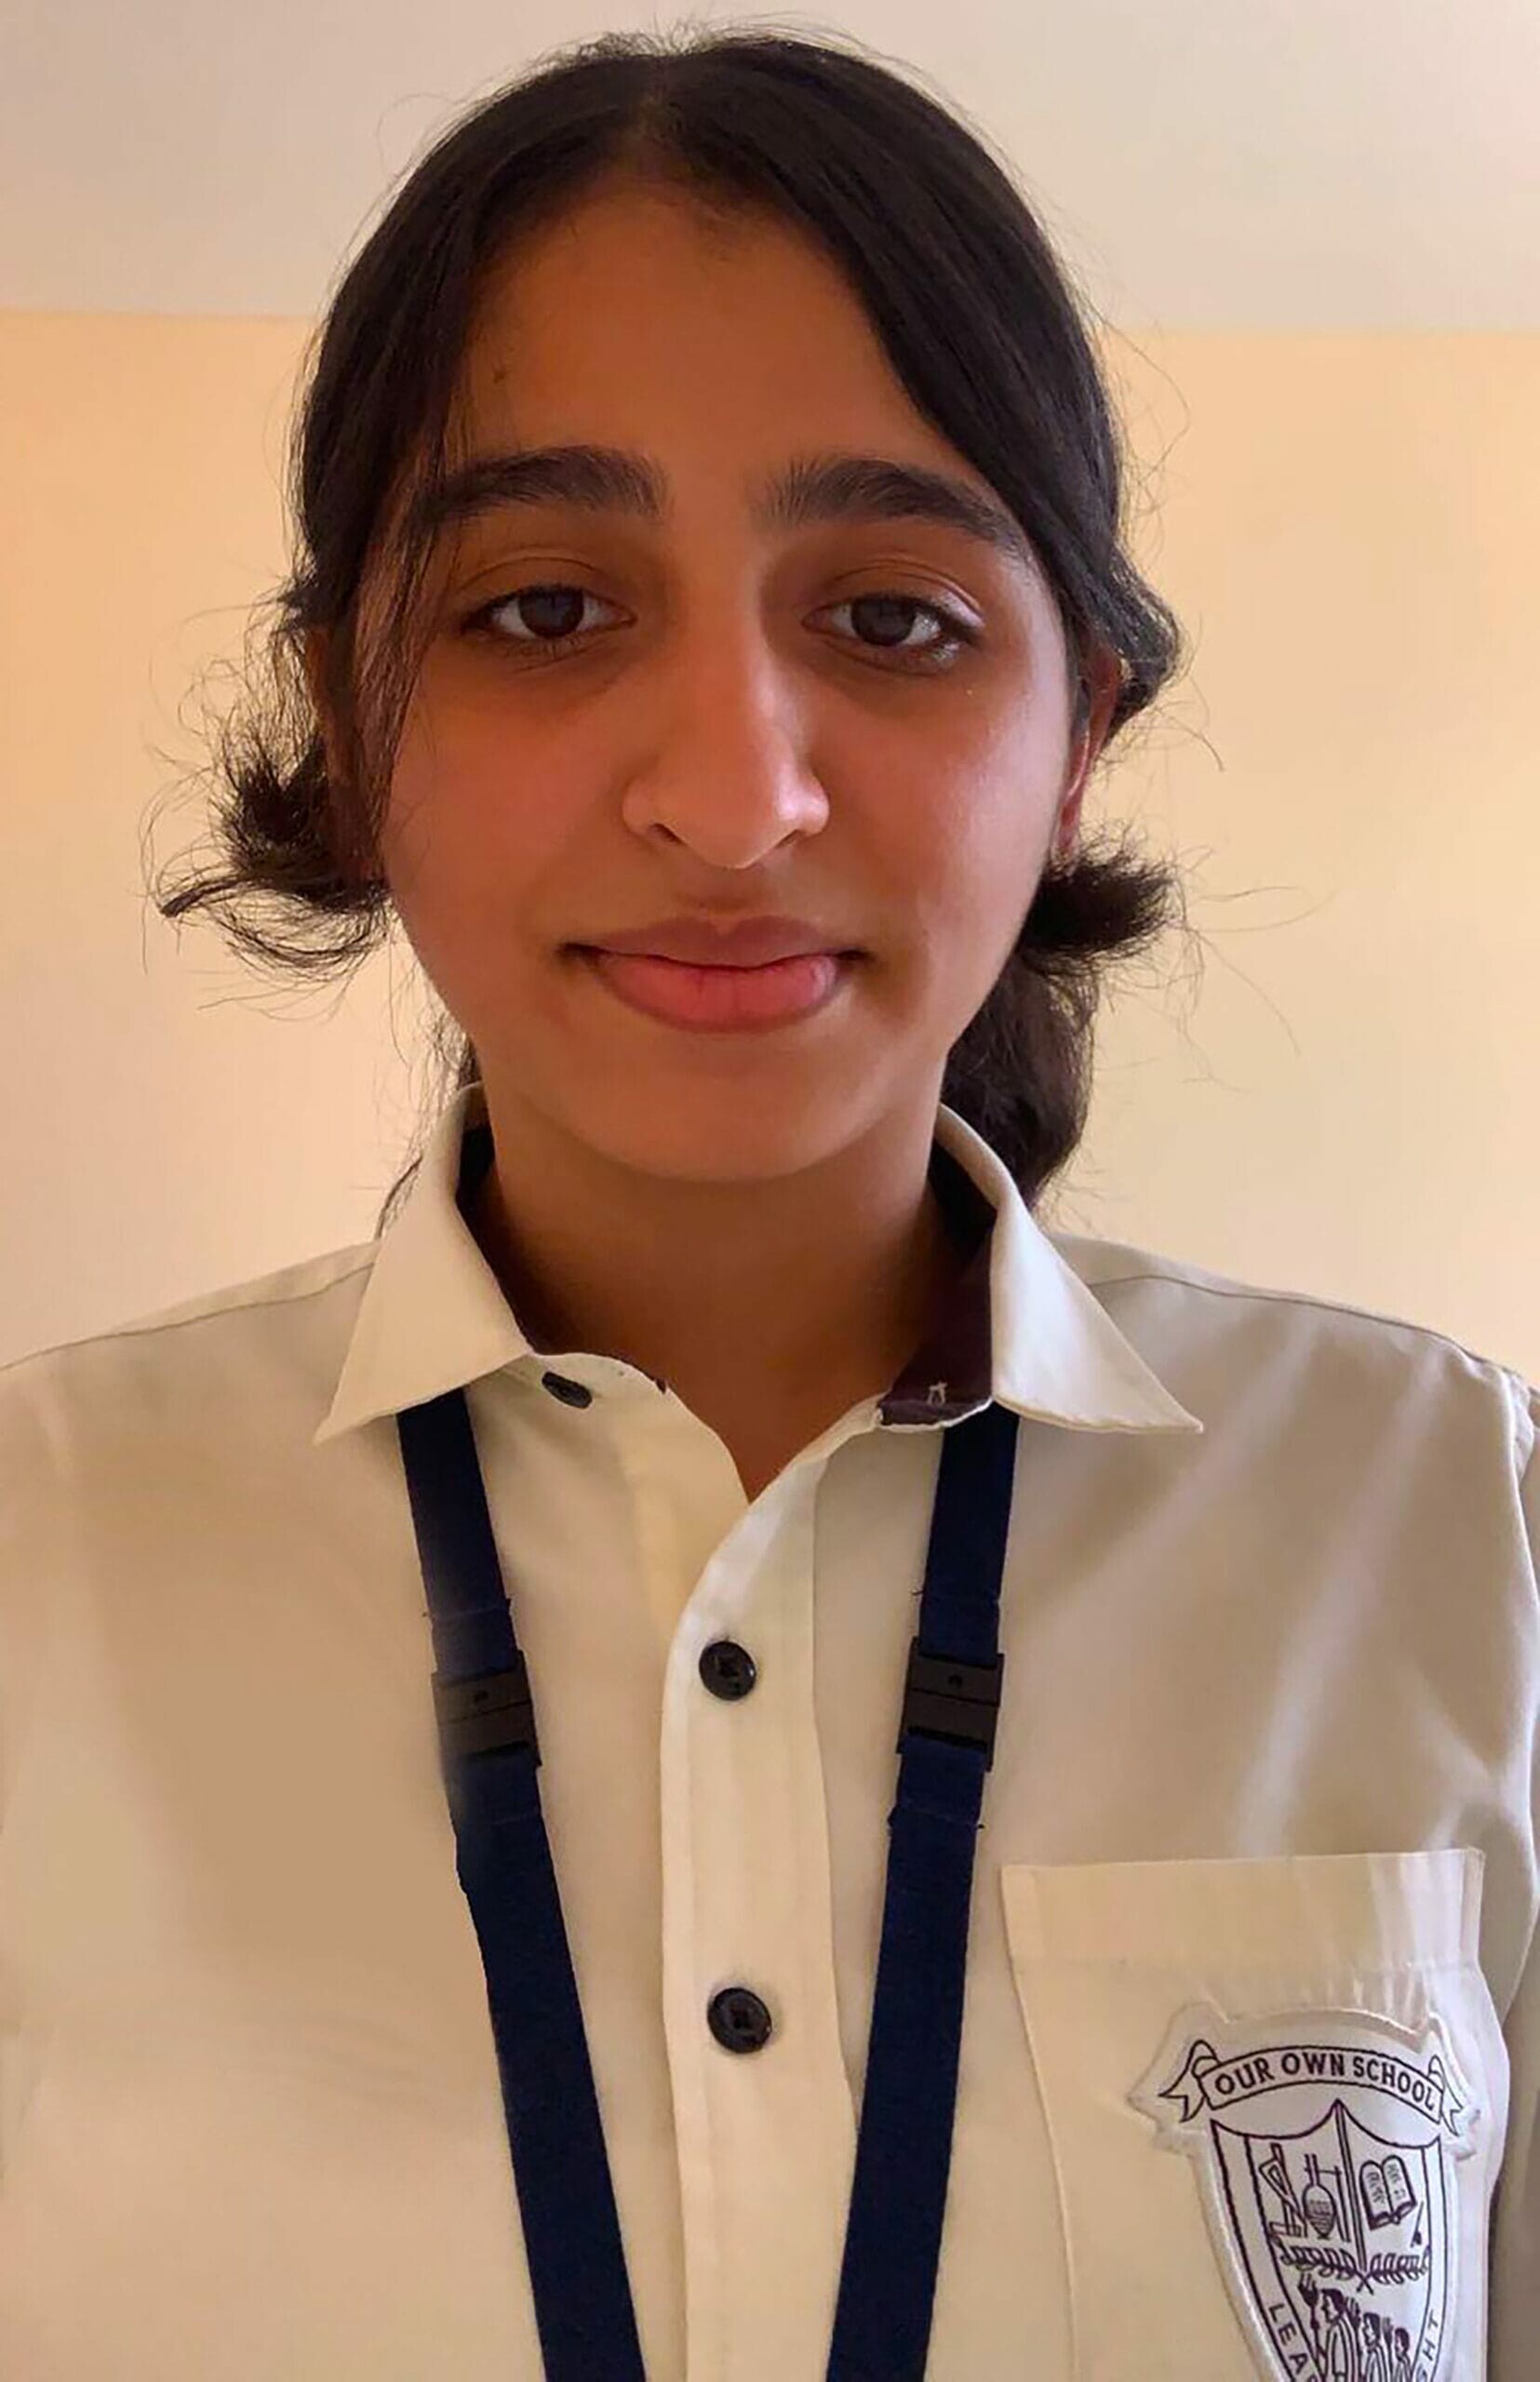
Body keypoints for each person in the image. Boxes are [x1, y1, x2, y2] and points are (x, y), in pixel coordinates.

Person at [1, 25, 1534, 2382]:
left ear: (1078, 736)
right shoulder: (37, 1547)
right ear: (350, 715)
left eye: (895, 619)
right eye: (542, 608)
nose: (732, 800)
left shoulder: (1458, 1536)